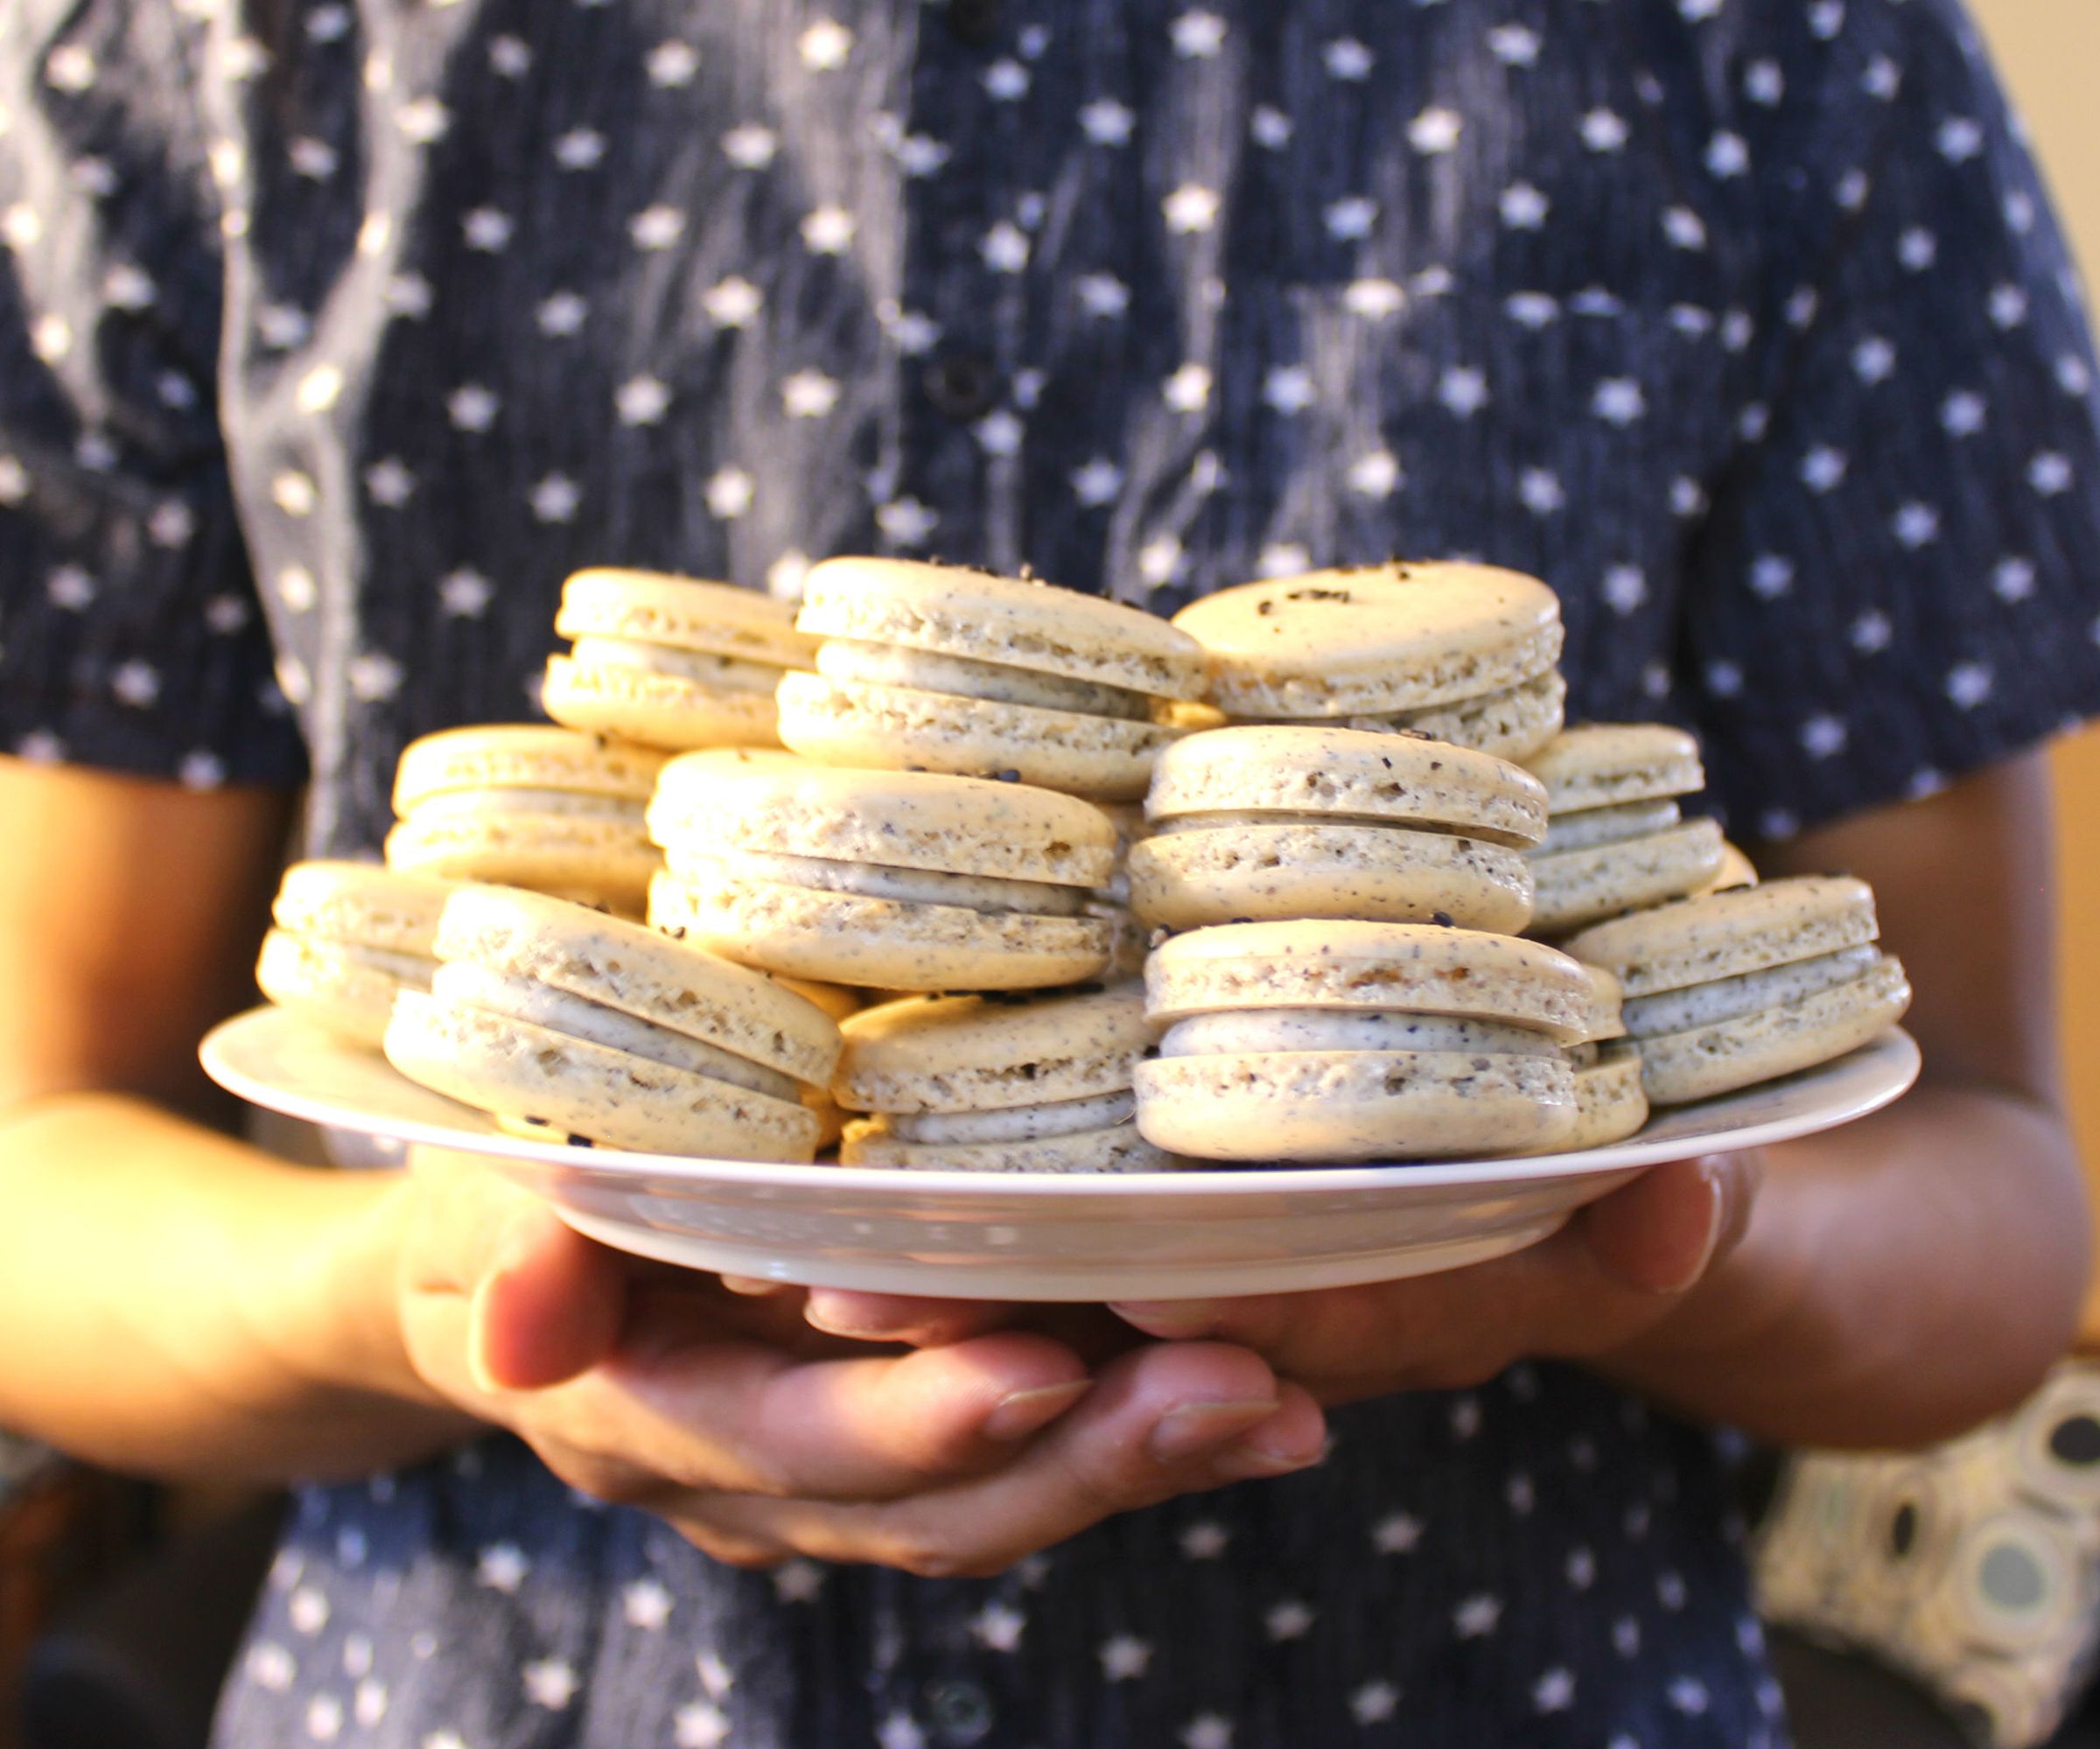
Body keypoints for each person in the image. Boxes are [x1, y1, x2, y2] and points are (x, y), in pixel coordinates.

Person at [1, 0, 2096, 1743]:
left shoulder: (1780, 45)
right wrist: (423, 1304)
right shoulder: (219, 46)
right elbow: (38, 1168)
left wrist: (1614, 1226)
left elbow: (2001, 1201)